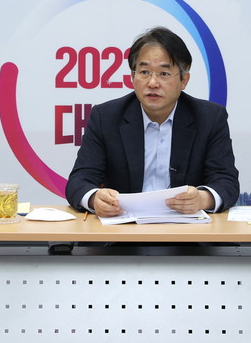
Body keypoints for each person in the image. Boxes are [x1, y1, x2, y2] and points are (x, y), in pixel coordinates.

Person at [65, 26, 239, 218]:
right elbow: (79, 181)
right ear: (133, 76)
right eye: (144, 72)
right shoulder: (105, 117)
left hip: (188, 232)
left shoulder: (209, 118)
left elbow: (226, 182)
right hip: (123, 230)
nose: (153, 83)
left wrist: (202, 199)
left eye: (164, 74)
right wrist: (94, 198)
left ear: (184, 80)